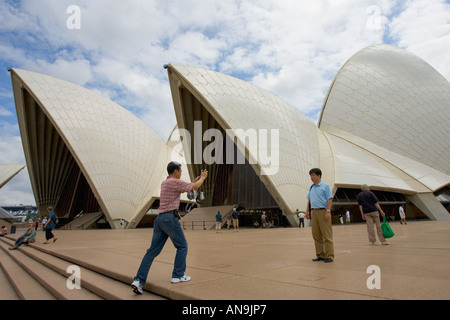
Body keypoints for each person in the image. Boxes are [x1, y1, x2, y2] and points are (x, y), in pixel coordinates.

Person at [131, 161, 208, 295]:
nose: (181, 172)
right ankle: (178, 275)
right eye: (180, 170)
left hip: (159, 220)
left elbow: (189, 184)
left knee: (151, 252)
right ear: (175, 171)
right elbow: (194, 186)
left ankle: (138, 280)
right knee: (182, 246)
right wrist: (203, 178)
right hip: (169, 219)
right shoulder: (175, 182)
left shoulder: (166, 182)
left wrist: (197, 178)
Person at [305, 168, 334, 263]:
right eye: (310, 176)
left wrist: (328, 211)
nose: (311, 177)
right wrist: (307, 211)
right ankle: (320, 254)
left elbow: (329, 199)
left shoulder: (325, 186)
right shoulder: (312, 187)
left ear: (319, 176)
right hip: (314, 212)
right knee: (316, 234)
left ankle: (329, 255)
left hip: (323, 211)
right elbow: (309, 199)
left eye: (313, 175)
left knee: (326, 235)